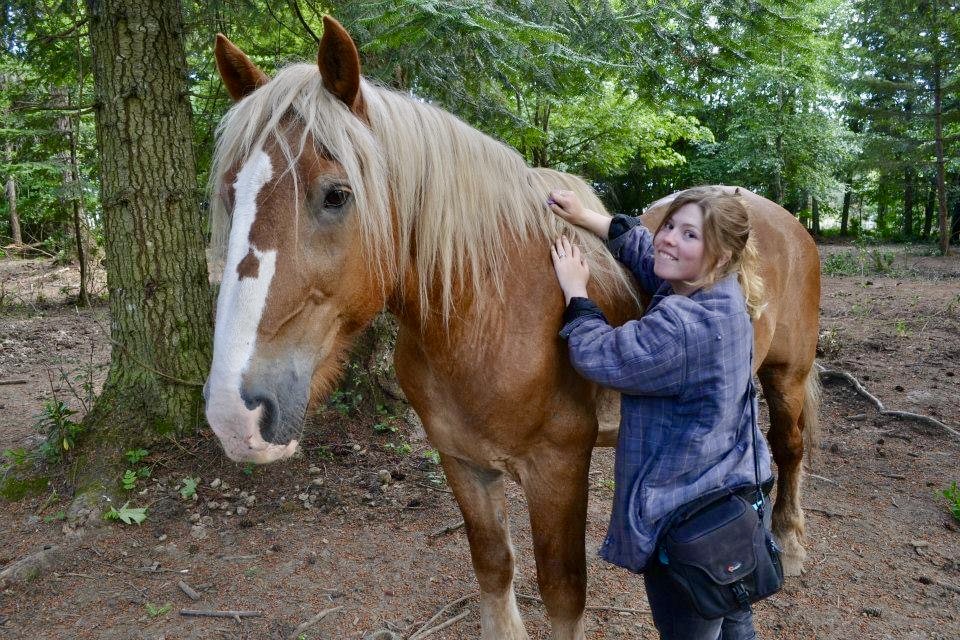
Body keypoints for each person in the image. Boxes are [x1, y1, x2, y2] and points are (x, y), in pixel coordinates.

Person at [548, 186, 774, 640]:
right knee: (732, 612)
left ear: (721, 254)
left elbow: (601, 354)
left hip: (689, 520)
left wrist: (576, 290)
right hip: (736, 497)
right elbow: (651, 260)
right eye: (669, 226)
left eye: (690, 235)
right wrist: (591, 218)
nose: (668, 238)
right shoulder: (721, 292)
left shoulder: (684, 328)